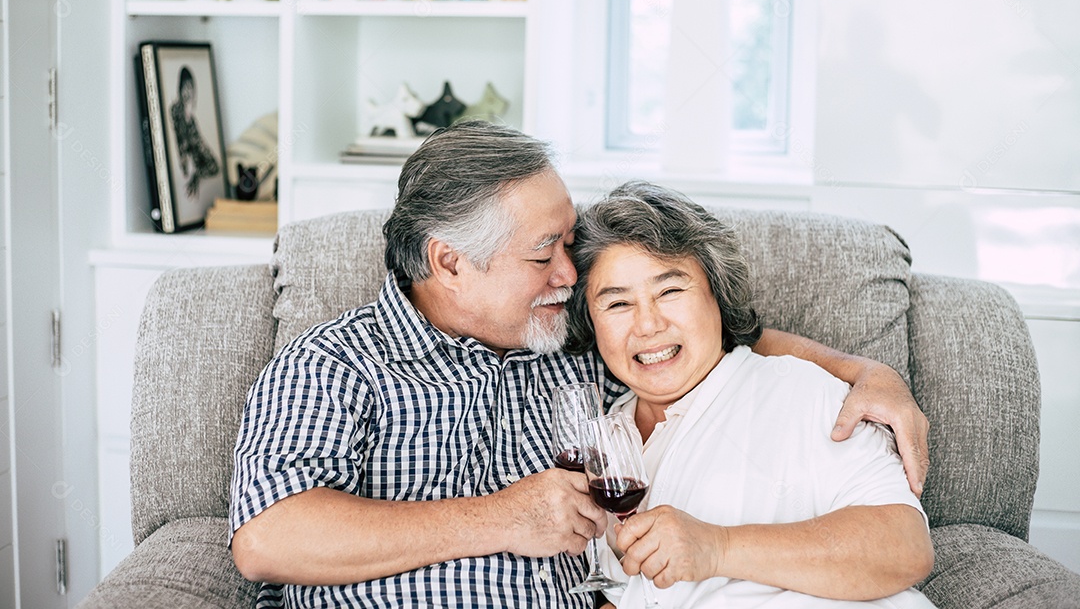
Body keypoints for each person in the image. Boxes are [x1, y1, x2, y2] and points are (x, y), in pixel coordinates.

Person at [229, 121, 930, 608]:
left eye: (570, 243)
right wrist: (499, 519)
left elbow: (692, 339)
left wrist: (863, 371)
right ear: (449, 262)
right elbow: (268, 537)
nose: (570, 272)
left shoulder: (562, 340)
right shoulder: (334, 365)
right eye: (544, 253)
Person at [565, 180, 934, 608]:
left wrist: (718, 547)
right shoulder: (606, 441)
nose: (647, 325)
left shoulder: (801, 391)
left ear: (717, 297)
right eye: (617, 304)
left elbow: (905, 547)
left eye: (669, 291)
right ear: (590, 322)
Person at [170, 66, 219, 197]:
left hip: (198, 150)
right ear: (180, 88)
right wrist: (186, 165)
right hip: (191, 153)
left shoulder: (191, 118)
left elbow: (198, 140)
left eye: (191, 88)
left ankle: (197, 175)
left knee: (214, 166)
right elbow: (181, 141)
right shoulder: (176, 109)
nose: (188, 92)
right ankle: (196, 175)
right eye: (185, 87)